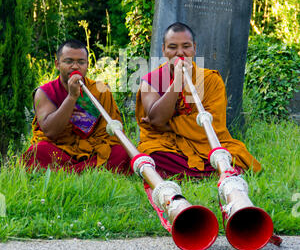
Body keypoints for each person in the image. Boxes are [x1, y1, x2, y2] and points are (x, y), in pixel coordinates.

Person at [135, 22, 261, 179]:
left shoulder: (210, 79)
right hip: (168, 145)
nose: (180, 53)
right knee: (152, 154)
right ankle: (211, 172)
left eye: (186, 46)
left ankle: (190, 173)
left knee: (236, 154)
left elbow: (214, 125)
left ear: (194, 48)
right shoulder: (152, 80)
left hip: (204, 143)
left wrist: (170, 125)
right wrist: (177, 82)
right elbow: (156, 119)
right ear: (163, 50)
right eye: (172, 47)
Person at [22, 39, 132, 174]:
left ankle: (67, 172)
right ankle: (90, 171)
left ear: (87, 65)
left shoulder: (99, 89)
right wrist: (71, 97)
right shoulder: (45, 92)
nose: (75, 67)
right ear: (57, 64)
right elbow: (50, 131)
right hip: (59, 149)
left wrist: (91, 147)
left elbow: (110, 134)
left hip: (92, 150)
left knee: (120, 152)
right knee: (37, 152)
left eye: (81, 62)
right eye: (68, 61)